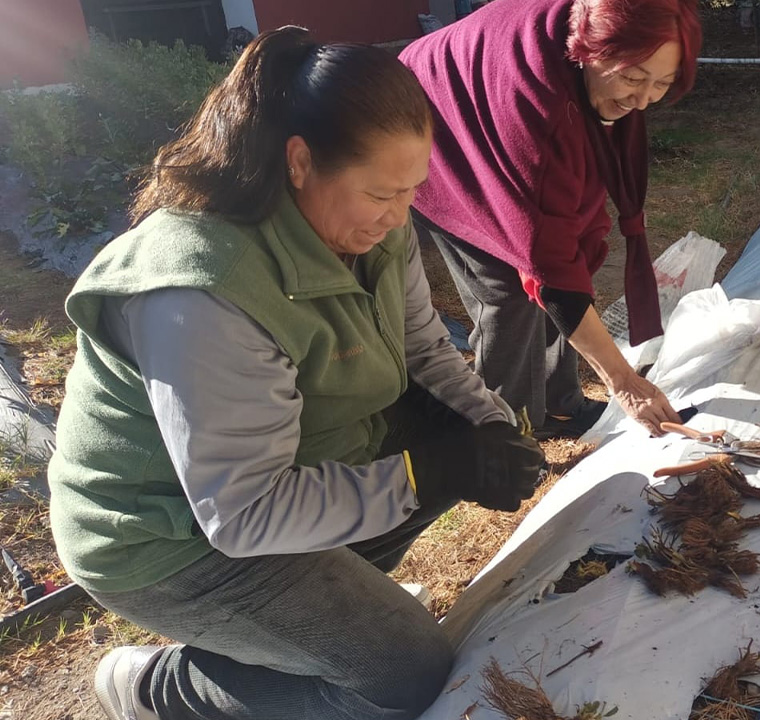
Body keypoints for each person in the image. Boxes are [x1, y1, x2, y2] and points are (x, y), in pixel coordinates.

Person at [47, 27, 544, 720]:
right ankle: (156, 687)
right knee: (411, 676)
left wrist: (489, 428)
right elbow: (243, 513)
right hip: (168, 540)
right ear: (302, 161)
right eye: (380, 192)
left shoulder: (375, 228)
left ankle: (307, 628)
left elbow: (424, 347)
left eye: (412, 190)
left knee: (451, 430)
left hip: (281, 474)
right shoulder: (203, 290)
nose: (400, 216)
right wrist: (424, 474)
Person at [399, 0, 702, 438]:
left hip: (491, 94)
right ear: (588, 50)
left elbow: (566, 257)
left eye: (662, 84)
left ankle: (562, 405)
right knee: (504, 288)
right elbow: (552, 270)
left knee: (570, 254)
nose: (642, 101)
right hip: (439, 131)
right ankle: (508, 431)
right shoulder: (544, 111)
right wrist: (625, 382)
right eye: (633, 78)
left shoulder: (592, 54)